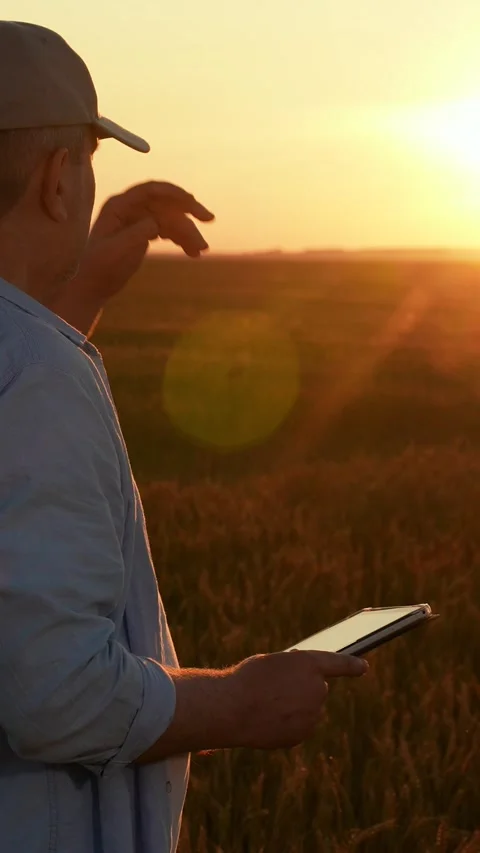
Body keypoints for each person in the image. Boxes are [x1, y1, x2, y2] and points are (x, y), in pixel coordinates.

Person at [0, 21, 369, 853]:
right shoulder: (38, 375)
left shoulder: (24, 364)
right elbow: (56, 694)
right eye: (90, 164)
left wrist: (80, 285)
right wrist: (238, 701)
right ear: (60, 181)